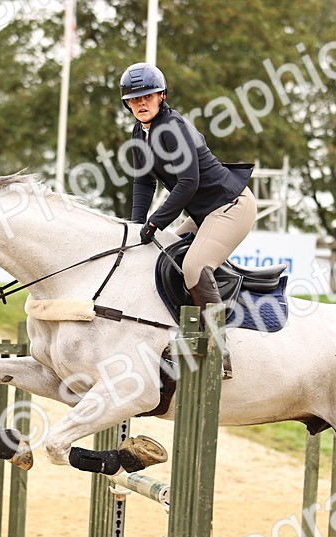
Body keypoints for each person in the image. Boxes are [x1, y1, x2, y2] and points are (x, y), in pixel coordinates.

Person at [122, 61, 256, 379]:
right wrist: (135, 226)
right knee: (161, 256)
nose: (141, 103)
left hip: (232, 206)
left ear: (162, 96)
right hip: (204, 214)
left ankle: (216, 347)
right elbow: (143, 182)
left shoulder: (174, 129)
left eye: (148, 96)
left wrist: (155, 222)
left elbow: (188, 182)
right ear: (127, 103)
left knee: (194, 266)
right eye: (134, 98)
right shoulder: (139, 135)